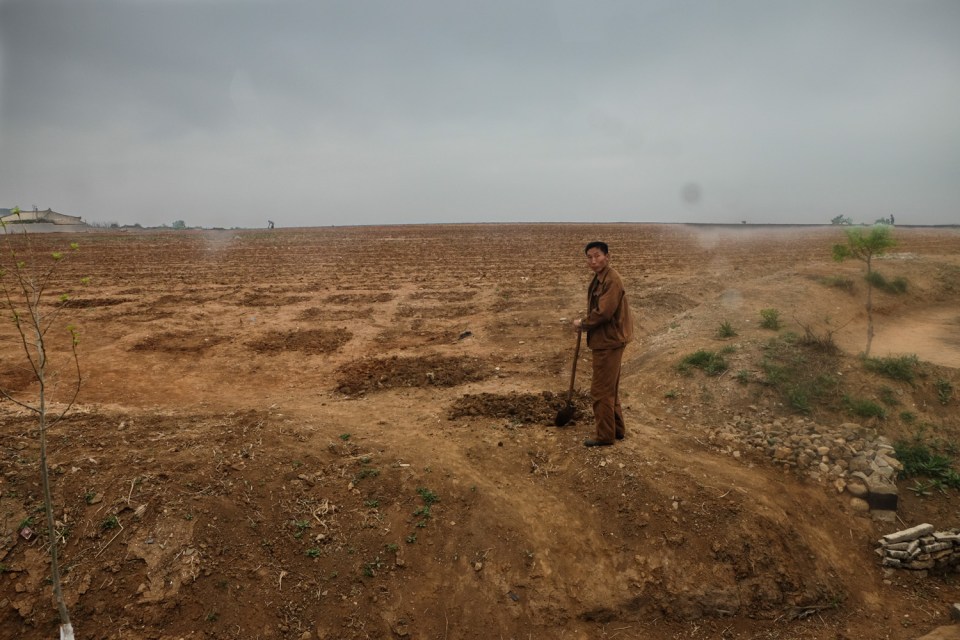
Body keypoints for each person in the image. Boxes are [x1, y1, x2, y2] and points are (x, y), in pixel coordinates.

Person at [572, 241, 633, 447]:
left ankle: (605, 436)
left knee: (600, 390)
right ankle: (617, 430)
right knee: (610, 388)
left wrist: (583, 323)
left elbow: (605, 312)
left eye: (597, 256)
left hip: (609, 341)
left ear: (607, 256)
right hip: (607, 339)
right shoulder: (599, 279)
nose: (593, 260)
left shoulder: (612, 280)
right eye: (589, 257)